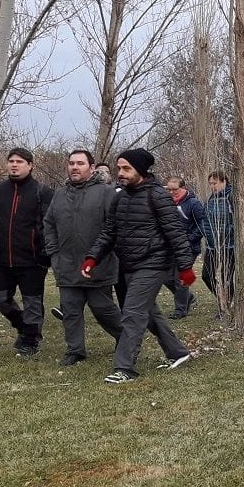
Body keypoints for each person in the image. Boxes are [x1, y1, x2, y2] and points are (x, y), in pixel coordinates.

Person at [83, 148, 195, 384]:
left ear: (141, 170)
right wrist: (93, 258)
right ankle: (178, 352)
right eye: (119, 168)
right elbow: (109, 232)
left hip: (154, 264)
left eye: (127, 168)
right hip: (129, 265)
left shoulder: (158, 196)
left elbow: (176, 234)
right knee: (149, 313)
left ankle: (124, 368)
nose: (121, 173)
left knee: (133, 313)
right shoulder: (120, 198)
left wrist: (185, 268)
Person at [42, 149, 123, 366]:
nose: (75, 167)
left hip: (98, 264)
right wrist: (54, 252)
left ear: (92, 167)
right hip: (66, 264)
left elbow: (114, 226)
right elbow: (49, 224)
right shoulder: (60, 194)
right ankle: (75, 350)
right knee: (70, 309)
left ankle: (125, 337)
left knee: (102, 308)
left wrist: (102, 254)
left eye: (80, 163)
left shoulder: (106, 192)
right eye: (71, 163)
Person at [0, 147, 54, 356]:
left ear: (31, 165)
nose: (14, 165)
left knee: (32, 303)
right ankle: (23, 326)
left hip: (33, 259)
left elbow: (52, 224)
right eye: (11, 161)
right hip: (2, 259)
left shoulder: (42, 192)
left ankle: (31, 341)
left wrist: (47, 252)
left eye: (19, 162)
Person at [162, 176, 205, 319]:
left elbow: (202, 225)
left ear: (183, 188)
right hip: (171, 247)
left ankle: (180, 310)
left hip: (188, 247)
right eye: (169, 189)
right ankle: (188, 297)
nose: (172, 192)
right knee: (166, 277)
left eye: (175, 189)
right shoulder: (167, 203)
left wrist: (189, 239)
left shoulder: (193, 203)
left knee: (180, 278)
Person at [201, 170, 235, 315]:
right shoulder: (210, 199)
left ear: (224, 181)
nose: (212, 186)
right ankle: (223, 300)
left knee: (225, 277)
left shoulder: (231, 197)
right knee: (206, 275)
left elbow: (238, 221)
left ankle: (226, 306)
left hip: (228, 245)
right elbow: (205, 219)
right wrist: (205, 232)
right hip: (212, 245)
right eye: (210, 184)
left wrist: (228, 232)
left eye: (215, 183)